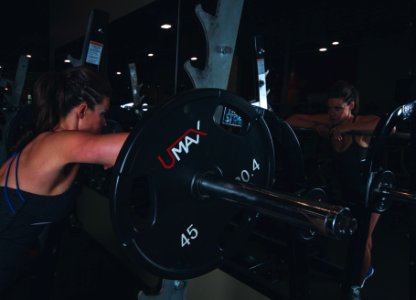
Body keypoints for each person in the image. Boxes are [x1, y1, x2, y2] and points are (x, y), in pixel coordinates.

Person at [0, 65, 129, 294]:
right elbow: (135, 146)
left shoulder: (51, 142)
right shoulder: (57, 144)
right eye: (102, 114)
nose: (104, 123)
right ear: (81, 111)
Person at [286, 80, 381, 289]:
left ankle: (356, 287)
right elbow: (292, 120)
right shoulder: (331, 122)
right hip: (348, 192)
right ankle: (365, 269)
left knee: (361, 240)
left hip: (372, 192)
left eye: (338, 108)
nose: (332, 113)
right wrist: (318, 125)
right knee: (359, 239)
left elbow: (386, 125)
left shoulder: (359, 124)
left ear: (352, 106)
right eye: (329, 108)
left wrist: (350, 127)